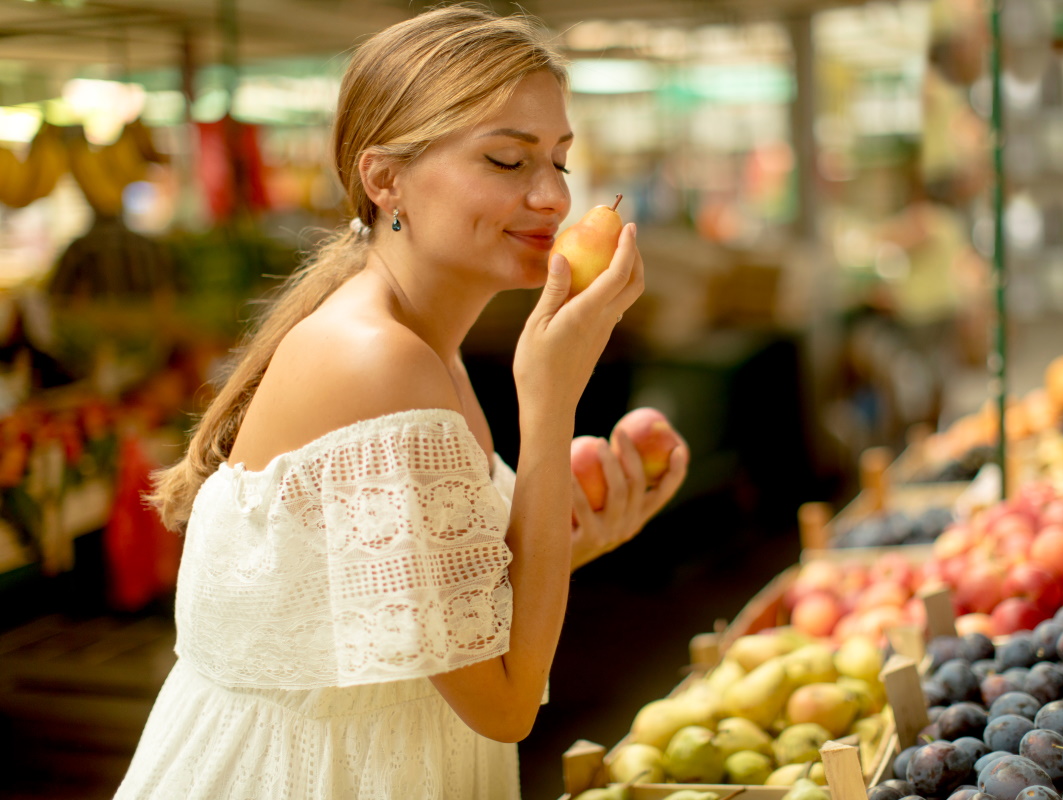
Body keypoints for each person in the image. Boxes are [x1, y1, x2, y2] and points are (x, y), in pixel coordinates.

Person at [113, 6, 689, 798]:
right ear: (385, 178)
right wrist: (550, 403)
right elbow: (508, 703)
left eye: (558, 161)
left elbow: (433, 611)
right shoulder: (375, 362)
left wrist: (577, 538)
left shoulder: (428, 350)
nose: (554, 197)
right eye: (506, 161)